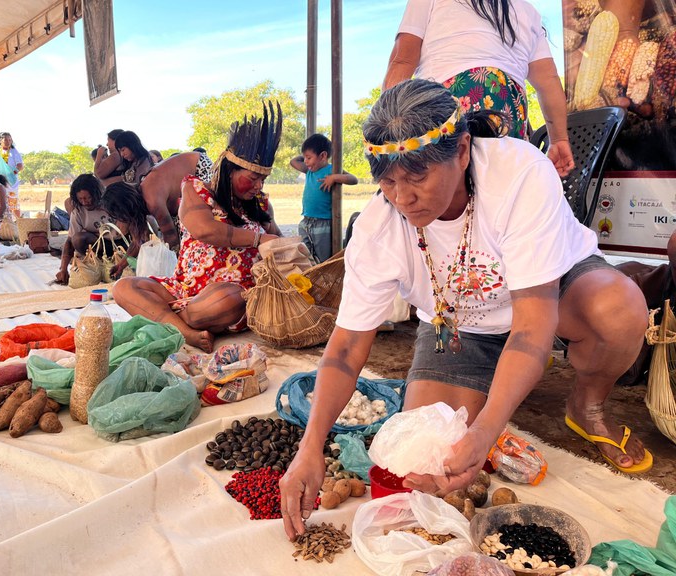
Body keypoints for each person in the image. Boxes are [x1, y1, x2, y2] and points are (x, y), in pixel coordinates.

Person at [279, 79, 652, 539]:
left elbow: (533, 326)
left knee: (619, 310)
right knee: (426, 462)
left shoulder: (518, 175)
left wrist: (487, 431)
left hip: (553, 297)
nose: (402, 197)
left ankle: (586, 403)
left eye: (417, 177)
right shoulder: (379, 229)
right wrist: (310, 444)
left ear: (461, 151)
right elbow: (346, 347)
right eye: (388, 180)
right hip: (457, 326)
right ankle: (492, 387)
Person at [113, 102, 284, 353]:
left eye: (263, 179)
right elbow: (205, 229)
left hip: (231, 296)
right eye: (253, 178)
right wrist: (258, 239)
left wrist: (284, 246)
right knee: (123, 288)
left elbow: (278, 243)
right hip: (183, 288)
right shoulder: (196, 189)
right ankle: (185, 330)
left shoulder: (260, 204)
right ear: (229, 170)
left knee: (225, 300)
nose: (258, 186)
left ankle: (171, 319)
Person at [383, 0, 574, 177]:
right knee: (502, 195)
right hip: (509, 114)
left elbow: (402, 61)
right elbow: (548, 81)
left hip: (449, 105)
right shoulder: (528, 12)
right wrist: (558, 140)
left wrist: (386, 130)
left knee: (444, 199)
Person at [290, 133, 358, 263]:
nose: (305, 161)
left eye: (309, 157)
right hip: (306, 220)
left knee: (323, 257)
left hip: (323, 222)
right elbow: (293, 162)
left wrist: (334, 177)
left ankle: (323, 278)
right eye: (304, 158)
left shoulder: (331, 169)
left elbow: (353, 179)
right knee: (305, 253)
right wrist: (306, 154)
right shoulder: (309, 170)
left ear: (323, 156)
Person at [138, 148, 214, 251]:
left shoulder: (152, 201)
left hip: (199, 166)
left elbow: (171, 236)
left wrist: (170, 259)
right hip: (192, 169)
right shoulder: (145, 194)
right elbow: (139, 240)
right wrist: (121, 265)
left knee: (192, 225)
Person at [55, 174, 115, 285]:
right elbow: (69, 241)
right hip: (99, 247)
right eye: (81, 199)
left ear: (97, 194)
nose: (85, 202)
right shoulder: (78, 211)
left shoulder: (112, 202)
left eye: (88, 197)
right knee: (77, 238)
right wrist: (63, 269)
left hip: (119, 243)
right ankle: (98, 265)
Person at [99, 182, 151, 280]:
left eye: (119, 215)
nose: (120, 220)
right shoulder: (135, 212)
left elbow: (170, 238)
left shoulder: (151, 201)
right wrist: (121, 265)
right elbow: (137, 243)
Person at [0, 131, 24, 216]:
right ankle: (1, 221)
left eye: (10, 140)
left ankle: (19, 222)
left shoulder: (14, 152)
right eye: (6, 140)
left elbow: (20, 165)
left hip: (10, 182)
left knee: (13, 202)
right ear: (0, 141)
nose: (8, 142)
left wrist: (13, 172)